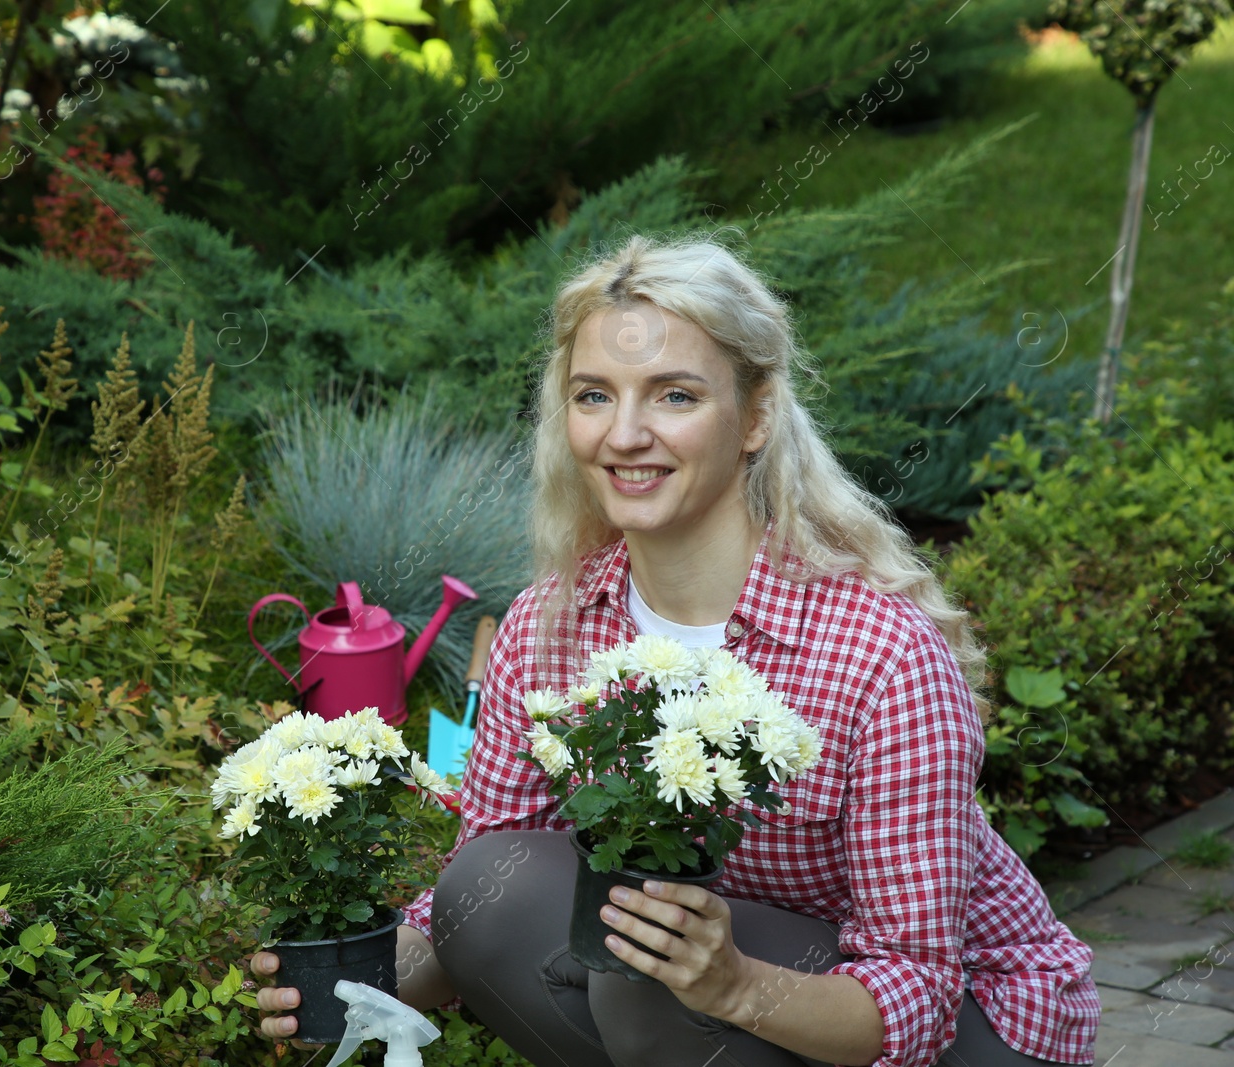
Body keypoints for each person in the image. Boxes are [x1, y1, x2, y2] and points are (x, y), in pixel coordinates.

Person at [251, 234, 1101, 1066]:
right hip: (699, 998)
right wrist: (352, 977)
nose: (624, 435)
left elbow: (913, 998)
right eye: (594, 395)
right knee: (499, 888)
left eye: (673, 396)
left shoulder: (879, 653)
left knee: (641, 961)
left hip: (970, 1029)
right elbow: (482, 904)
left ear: (756, 415)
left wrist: (731, 985)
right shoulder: (554, 627)